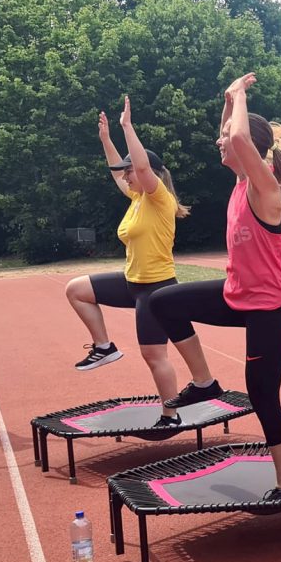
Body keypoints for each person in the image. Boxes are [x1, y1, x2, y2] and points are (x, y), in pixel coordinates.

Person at [149, 72, 281, 502]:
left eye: (226, 138)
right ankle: (204, 382)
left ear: (249, 151)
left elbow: (237, 138)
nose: (219, 142)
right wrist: (227, 100)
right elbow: (233, 136)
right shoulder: (241, 181)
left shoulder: (265, 188)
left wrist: (239, 95)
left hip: (269, 307)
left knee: (262, 394)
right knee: (164, 303)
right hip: (237, 293)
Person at [64, 97, 190, 427]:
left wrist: (126, 127)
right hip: (132, 282)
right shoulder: (136, 198)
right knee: (76, 290)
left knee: (154, 355)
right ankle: (104, 346)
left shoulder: (157, 195)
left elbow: (143, 169)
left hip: (156, 289)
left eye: (129, 170)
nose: (125, 176)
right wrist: (106, 141)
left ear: (145, 172)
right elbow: (119, 176)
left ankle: (170, 414)